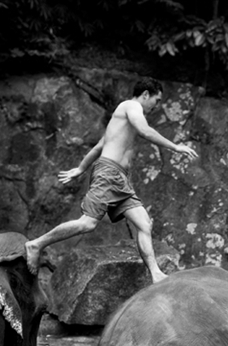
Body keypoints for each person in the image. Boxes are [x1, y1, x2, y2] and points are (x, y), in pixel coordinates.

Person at [25, 78, 198, 282]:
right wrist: (175, 147)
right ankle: (36, 244)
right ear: (145, 95)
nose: (157, 106)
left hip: (119, 179)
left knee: (144, 223)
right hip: (108, 172)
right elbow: (145, 131)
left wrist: (80, 169)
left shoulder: (121, 121)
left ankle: (156, 274)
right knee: (87, 224)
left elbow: (100, 146)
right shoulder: (131, 106)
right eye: (156, 100)